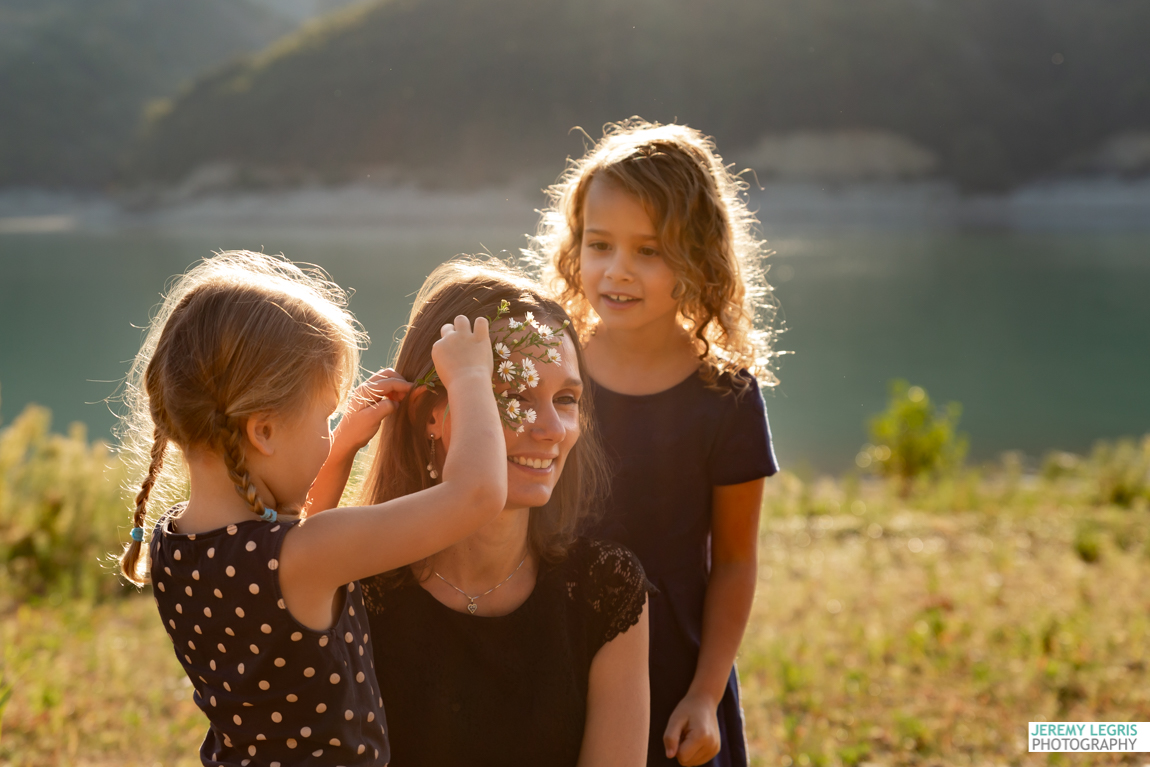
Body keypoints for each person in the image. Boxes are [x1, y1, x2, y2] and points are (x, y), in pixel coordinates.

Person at [117, 251, 507, 766]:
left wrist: (342, 445)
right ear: (263, 432)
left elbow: (293, 545)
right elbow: (476, 496)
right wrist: (472, 378)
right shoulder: (299, 556)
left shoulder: (173, 542)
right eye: (325, 419)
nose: (328, 434)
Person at [308, 258, 653, 767]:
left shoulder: (607, 590)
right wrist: (337, 455)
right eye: (513, 395)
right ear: (433, 415)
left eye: (564, 398)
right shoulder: (357, 591)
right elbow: (292, 562)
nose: (553, 430)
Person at [533, 119, 781, 767]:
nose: (617, 270)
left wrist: (704, 692)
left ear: (697, 257)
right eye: (599, 244)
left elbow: (732, 560)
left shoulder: (726, 398)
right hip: (553, 648)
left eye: (650, 250)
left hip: (673, 666)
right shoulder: (552, 370)